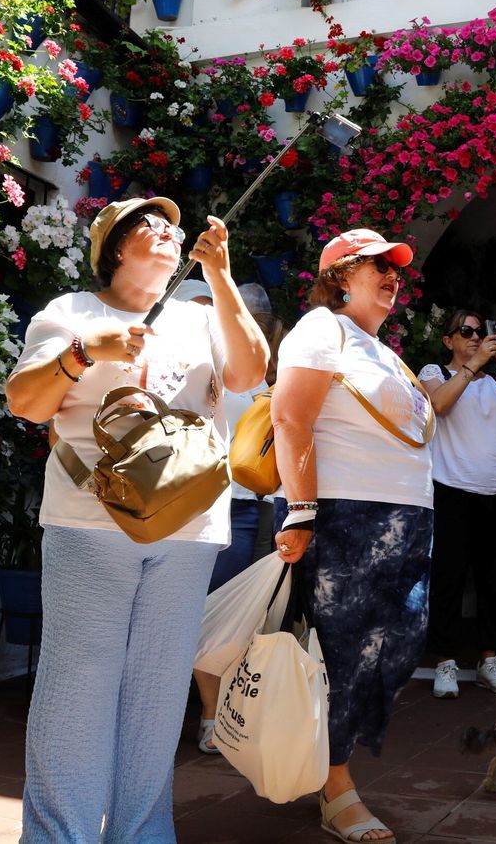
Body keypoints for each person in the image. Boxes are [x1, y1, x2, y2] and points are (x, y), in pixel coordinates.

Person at [7, 199, 268, 844]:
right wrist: (82, 354)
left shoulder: (201, 314)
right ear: (117, 247)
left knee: (156, 694)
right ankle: (58, 836)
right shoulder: (72, 312)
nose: (171, 236)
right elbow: (25, 403)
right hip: (90, 521)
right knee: (78, 687)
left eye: (176, 231)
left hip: (189, 523)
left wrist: (224, 276)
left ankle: (143, 834)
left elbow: (250, 371)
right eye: (152, 227)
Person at [272, 228, 434, 844]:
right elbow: (290, 417)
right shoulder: (322, 328)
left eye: (397, 269)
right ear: (341, 275)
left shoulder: (381, 348)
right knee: (346, 653)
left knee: (399, 645)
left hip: (406, 518)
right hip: (349, 518)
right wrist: (302, 509)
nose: (394, 277)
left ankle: (328, 764)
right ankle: (336, 786)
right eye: (378, 267)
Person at [191, 282, 288, 756]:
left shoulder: (253, 371)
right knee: (200, 612)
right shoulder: (186, 364)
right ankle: (207, 714)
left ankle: (221, 714)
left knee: (233, 614)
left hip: (248, 506)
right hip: (189, 504)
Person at [421, 309, 496, 699]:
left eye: (481, 331)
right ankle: (445, 662)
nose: (475, 337)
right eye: (466, 331)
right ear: (448, 340)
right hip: (454, 488)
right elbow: (437, 405)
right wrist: (473, 365)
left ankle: (489, 659)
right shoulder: (435, 372)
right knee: (449, 578)